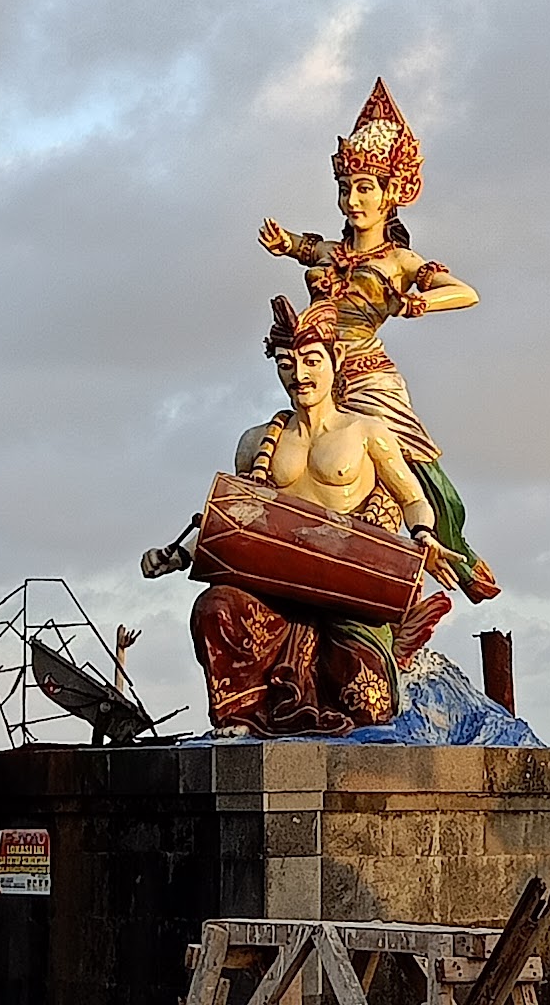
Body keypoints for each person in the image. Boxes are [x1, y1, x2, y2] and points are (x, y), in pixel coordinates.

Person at [141, 296, 454, 737]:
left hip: (346, 589)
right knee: (216, 608)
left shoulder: (366, 433)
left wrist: (423, 533)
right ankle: (243, 716)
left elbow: (412, 498)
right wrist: (177, 554)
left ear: (335, 358)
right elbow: (239, 519)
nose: (300, 375)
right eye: (287, 363)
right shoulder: (257, 442)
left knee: (364, 703)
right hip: (275, 589)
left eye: (311, 361)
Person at [258, 77, 499, 603]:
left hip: (367, 376)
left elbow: (467, 293)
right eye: (346, 189)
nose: (353, 200)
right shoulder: (325, 252)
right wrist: (284, 244)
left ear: (391, 194)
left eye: (365, 188)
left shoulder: (400, 262)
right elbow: (304, 246)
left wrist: (415, 302)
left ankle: (448, 545)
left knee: (405, 460)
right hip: (314, 369)